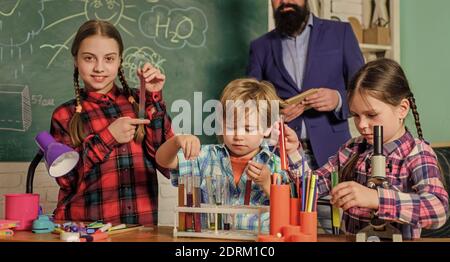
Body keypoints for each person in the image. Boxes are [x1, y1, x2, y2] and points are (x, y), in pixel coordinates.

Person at [285, 58, 449, 239]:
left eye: (371, 115)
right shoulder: (352, 149)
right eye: (356, 115)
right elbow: (310, 190)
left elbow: (437, 209)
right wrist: (293, 152)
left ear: (402, 109)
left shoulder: (417, 154)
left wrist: (376, 198)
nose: (362, 125)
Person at [50, 20, 173, 225]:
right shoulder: (64, 115)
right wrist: (108, 137)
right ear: (76, 60)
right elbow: (67, 179)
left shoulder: (139, 102)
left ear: (119, 61)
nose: (99, 68)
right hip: (85, 230)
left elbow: (167, 162)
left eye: (109, 59)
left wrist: (153, 98)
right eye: (89, 58)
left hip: (140, 229)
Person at [156, 78, 294, 231]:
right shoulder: (206, 156)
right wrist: (176, 141)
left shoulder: (275, 164)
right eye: (231, 127)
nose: (238, 136)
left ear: (268, 128)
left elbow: (287, 210)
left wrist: (267, 183)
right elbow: (163, 161)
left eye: (248, 129)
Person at [247, 0, 364, 169]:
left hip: (336, 154)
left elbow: (364, 90)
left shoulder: (341, 32)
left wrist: (338, 99)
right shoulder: (260, 47)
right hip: (282, 156)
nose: (285, 1)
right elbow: (250, 101)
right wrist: (274, 113)